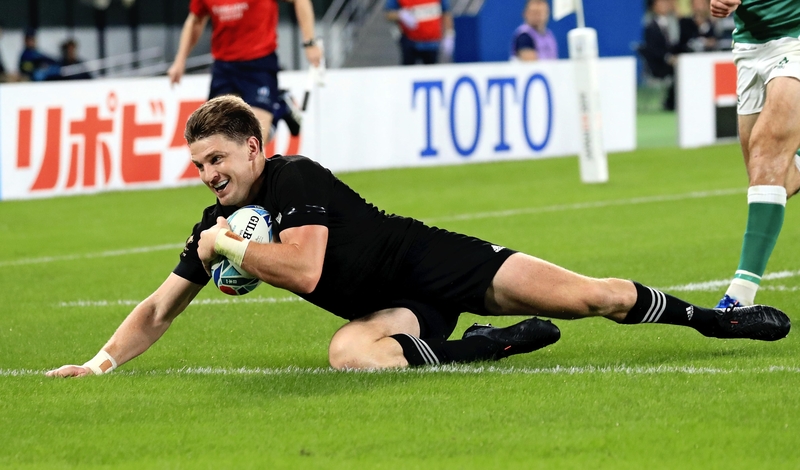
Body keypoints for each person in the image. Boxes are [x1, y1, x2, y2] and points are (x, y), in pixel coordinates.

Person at [46, 95, 791, 378]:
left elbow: (303, 270)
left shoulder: (294, 178)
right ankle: (488, 348)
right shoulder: (214, 227)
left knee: (592, 298)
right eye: (199, 165)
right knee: (351, 355)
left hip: (436, 262)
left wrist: (233, 250)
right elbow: (159, 308)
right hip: (396, 310)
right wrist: (100, 362)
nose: (209, 175)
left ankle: (715, 321)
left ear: (253, 149)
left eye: (218, 159)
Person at [709, 0, 800, 308]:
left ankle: (738, 297)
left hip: (795, 35)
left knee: (767, 154)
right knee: (773, 179)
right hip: (750, 46)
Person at [167, 0, 321, 142]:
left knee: (255, 138)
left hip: (259, 63)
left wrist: (310, 42)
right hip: (224, 66)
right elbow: (195, 20)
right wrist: (180, 60)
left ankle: (279, 107)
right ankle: (279, 102)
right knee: (217, 137)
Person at [639, 0, 693, 110]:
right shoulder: (650, 25)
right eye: (661, 3)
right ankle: (671, 102)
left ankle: (685, 100)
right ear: (654, 6)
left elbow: (677, 44)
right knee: (677, 70)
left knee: (685, 67)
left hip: (674, 61)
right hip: (658, 65)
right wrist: (668, 58)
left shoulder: (674, 23)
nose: (665, 5)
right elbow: (653, 50)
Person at [385, 0, 455, 65]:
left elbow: (446, 12)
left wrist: (449, 35)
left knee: (431, 70)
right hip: (410, 41)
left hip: (432, 43)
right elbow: (388, 14)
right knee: (408, 70)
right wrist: (400, 14)